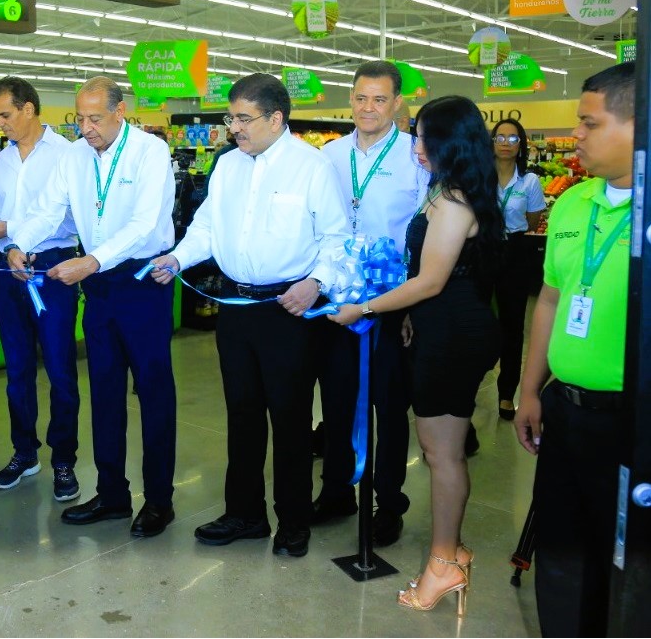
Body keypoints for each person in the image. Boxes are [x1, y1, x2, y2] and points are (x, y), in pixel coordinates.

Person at [150, 73, 348, 555]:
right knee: (241, 416)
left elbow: (338, 238)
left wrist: (316, 283)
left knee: (291, 419)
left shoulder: (311, 167)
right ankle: (245, 513)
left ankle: (294, 519)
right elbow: (207, 226)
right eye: (231, 117)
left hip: (289, 309)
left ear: (276, 118)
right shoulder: (228, 166)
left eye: (243, 118)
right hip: (236, 309)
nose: (233, 127)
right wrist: (177, 257)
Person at [330, 95, 504, 614]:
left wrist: (366, 307)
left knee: (441, 452)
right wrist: (406, 314)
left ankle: (444, 563)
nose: (417, 145)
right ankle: (451, 550)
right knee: (439, 448)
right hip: (438, 326)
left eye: (425, 135)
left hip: (454, 334)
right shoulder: (448, 190)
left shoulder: (453, 199)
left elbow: (431, 281)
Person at [8, 76, 177, 538]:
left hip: (142, 281)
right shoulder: (75, 156)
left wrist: (92, 260)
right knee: (104, 392)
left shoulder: (149, 152)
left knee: (154, 392)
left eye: (95, 118)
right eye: (79, 118)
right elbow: (49, 209)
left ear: (120, 112)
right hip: (98, 286)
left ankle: (160, 500)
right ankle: (113, 494)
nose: (86, 128)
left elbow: (145, 225)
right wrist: (19, 242)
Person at [515, 62, 635, 637]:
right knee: (562, 552)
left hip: (633, 421)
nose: (576, 137)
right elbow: (549, 302)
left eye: (589, 123)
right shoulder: (572, 203)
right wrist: (529, 389)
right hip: (566, 410)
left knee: (629, 565)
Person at [313, 61, 424, 547]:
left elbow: (423, 235)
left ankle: (389, 504)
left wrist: (412, 308)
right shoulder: (329, 156)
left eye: (380, 99)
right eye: (361, 98)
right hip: (338, 300)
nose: (368, 108)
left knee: (388, 405)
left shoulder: (416, 157)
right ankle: (337, 489)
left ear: (398, 103)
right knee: (336, 401)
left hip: (392, 301)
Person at [0, 77, 81, 501]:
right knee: (17, 371)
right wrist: (3, 240)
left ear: (28, 109)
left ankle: (64, 460)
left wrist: (15, 233)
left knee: (59, 371)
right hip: (11, 271)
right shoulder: (1, 162)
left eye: (5, 114)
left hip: (53, 269)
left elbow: (70, 216)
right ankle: (25, 452)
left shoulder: (68, 156)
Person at [491, 118, 546, 421]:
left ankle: (505, 392)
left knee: (513, 325)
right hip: (484, 251)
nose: (506, 143)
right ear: (492, 142)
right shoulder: (481, 177)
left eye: (513, 139)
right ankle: (471, 381)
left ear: (521, 145)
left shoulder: (530, 181)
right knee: (482, 319)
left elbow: (534, 219)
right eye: (501, 137)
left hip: (515, 250)